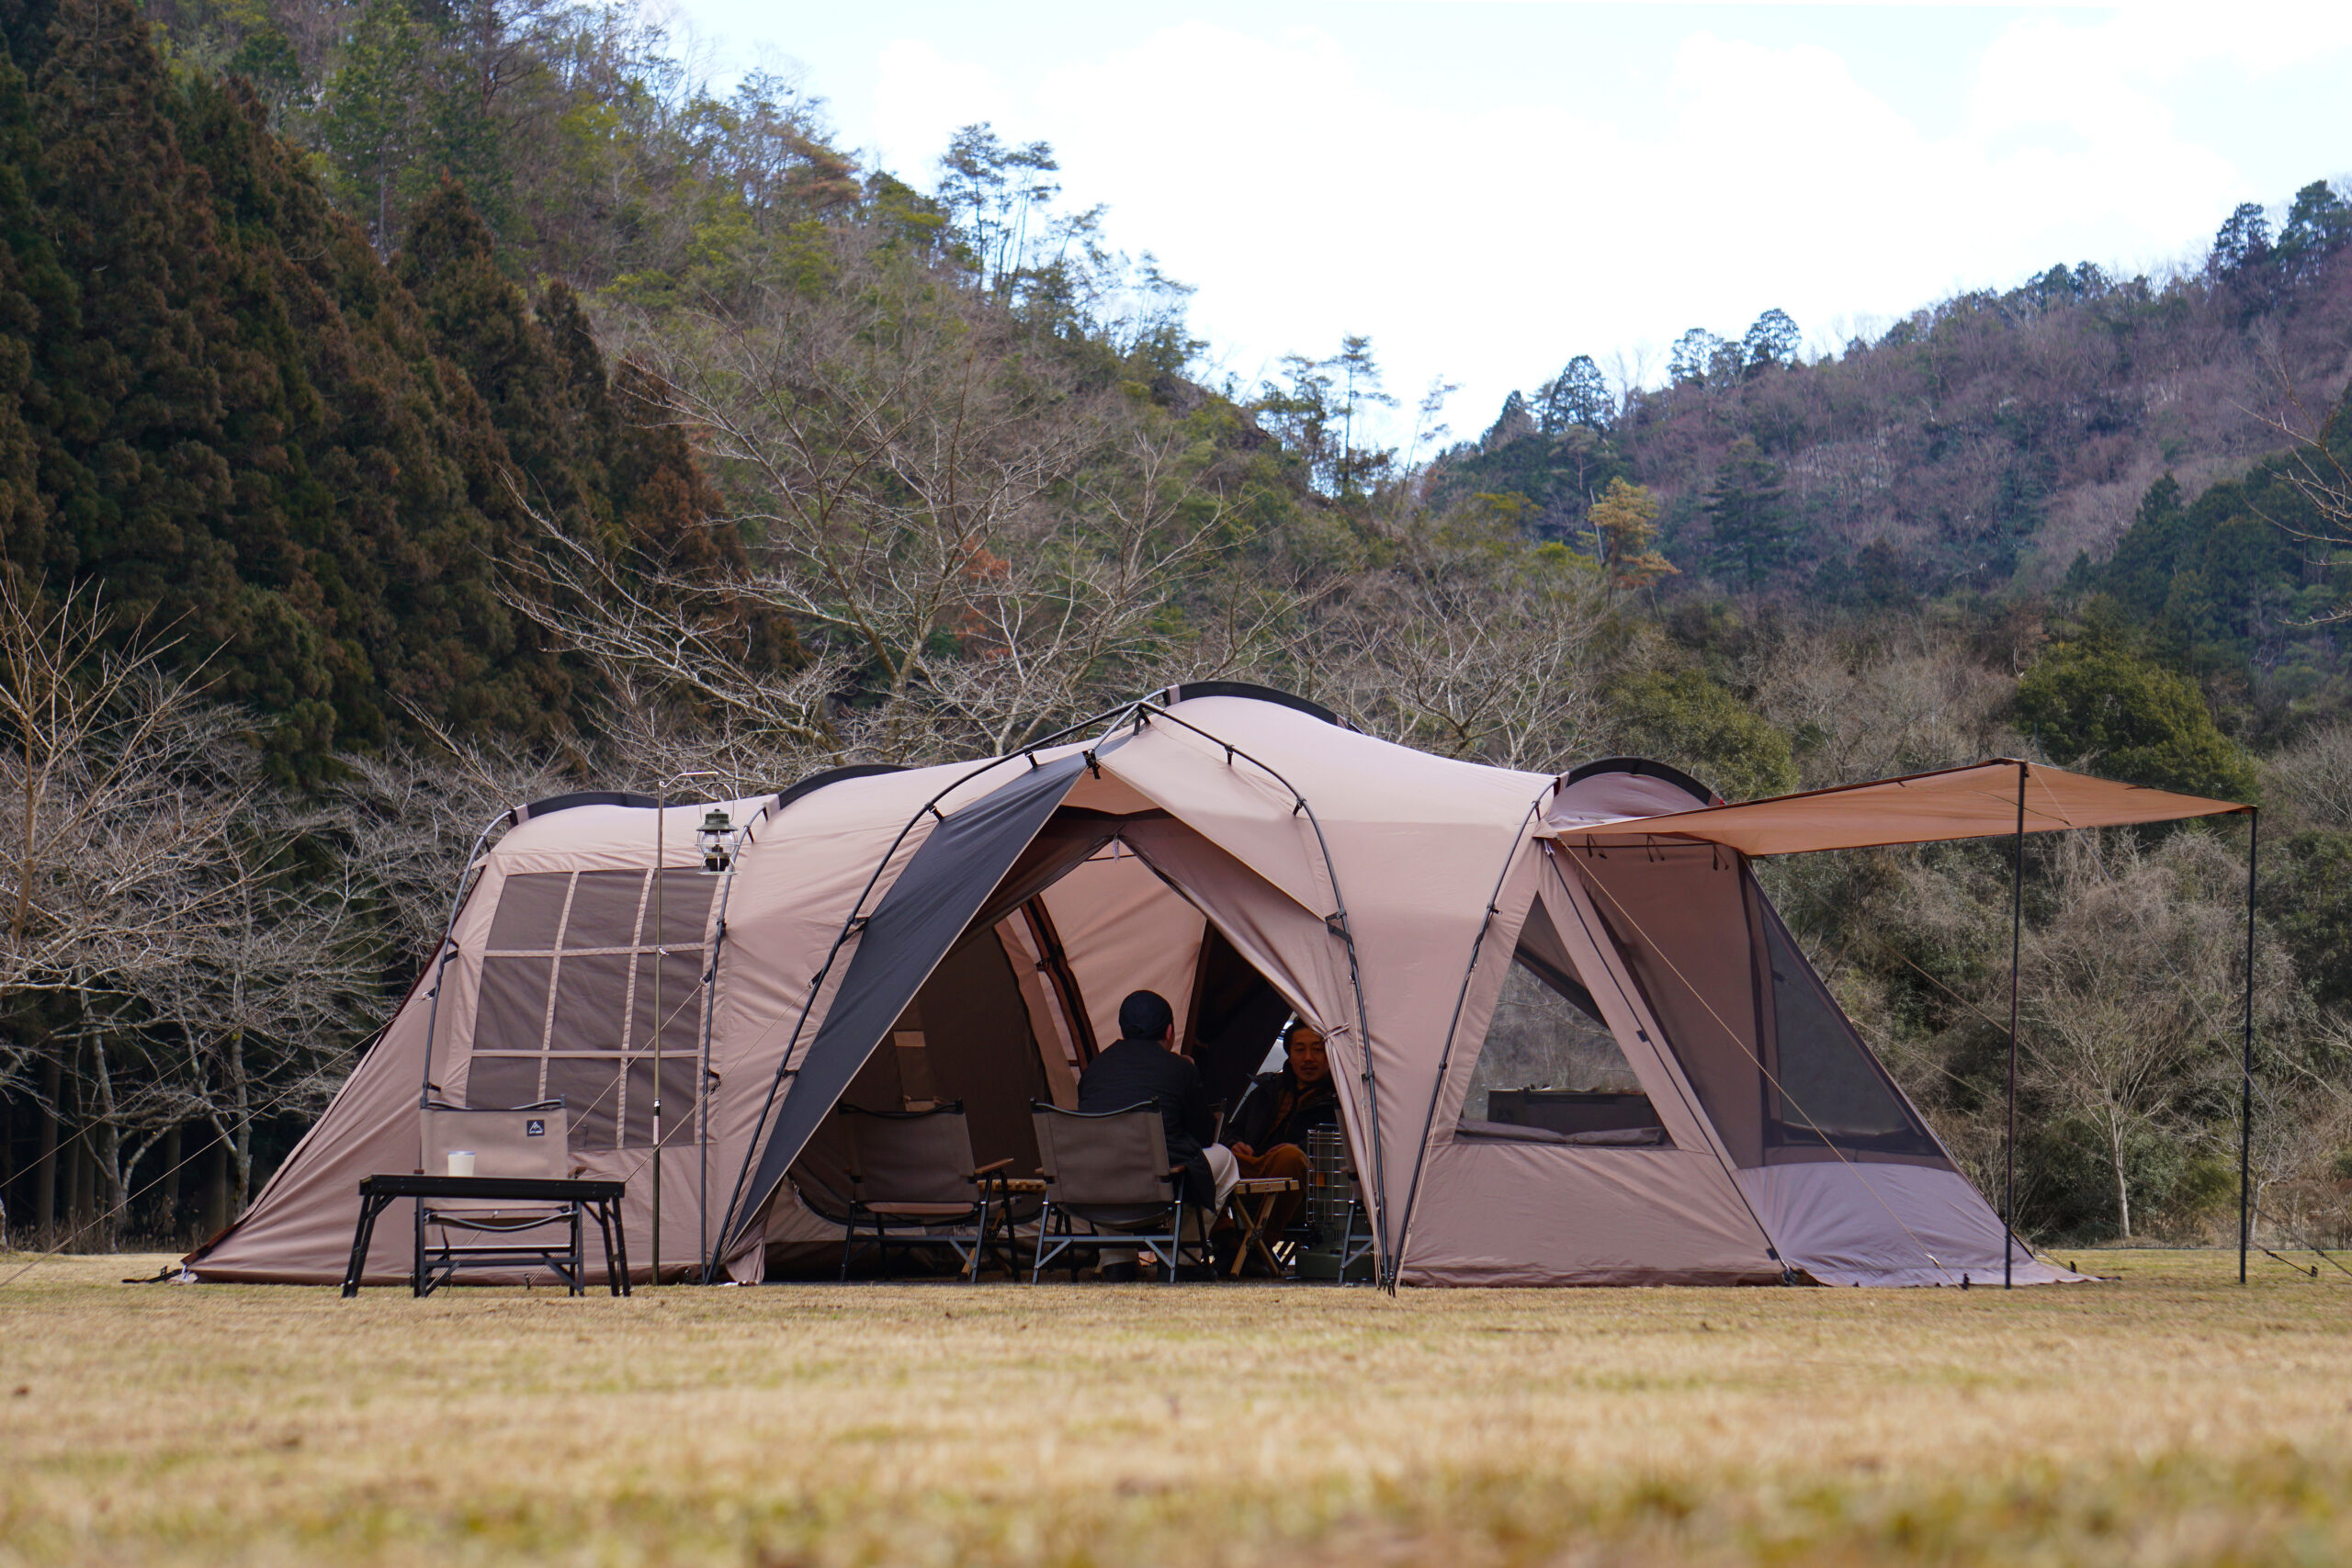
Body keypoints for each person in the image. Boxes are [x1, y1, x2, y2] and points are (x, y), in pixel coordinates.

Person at [1077, 989, 1240, 1220]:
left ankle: (1115, 1255)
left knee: (1107, 1160)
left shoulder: (1094, 1069)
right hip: (1157, 1193)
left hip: (1094, 1192)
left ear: (1123, 1031)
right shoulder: (1180, 1069)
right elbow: (1203, 1139)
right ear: (1169, 1031)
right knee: (1225, 1158)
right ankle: (1183, 1253)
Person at [1225, 1023, 1339, 1247]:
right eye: (1300, 1050)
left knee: (1289, 1157)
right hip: (1255, 1171)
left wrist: (1300, 1149)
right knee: (1208, 1159)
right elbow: (1232, 1130)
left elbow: (1339, 1144)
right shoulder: (1268, 1089)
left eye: (1317, 1050)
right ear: (1289, 1054)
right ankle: (1224, 1239)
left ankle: (1260, 1245)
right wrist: (1234, 1143)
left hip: (1306, 1188)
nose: (1308, 1058)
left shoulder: (1338, 1099)